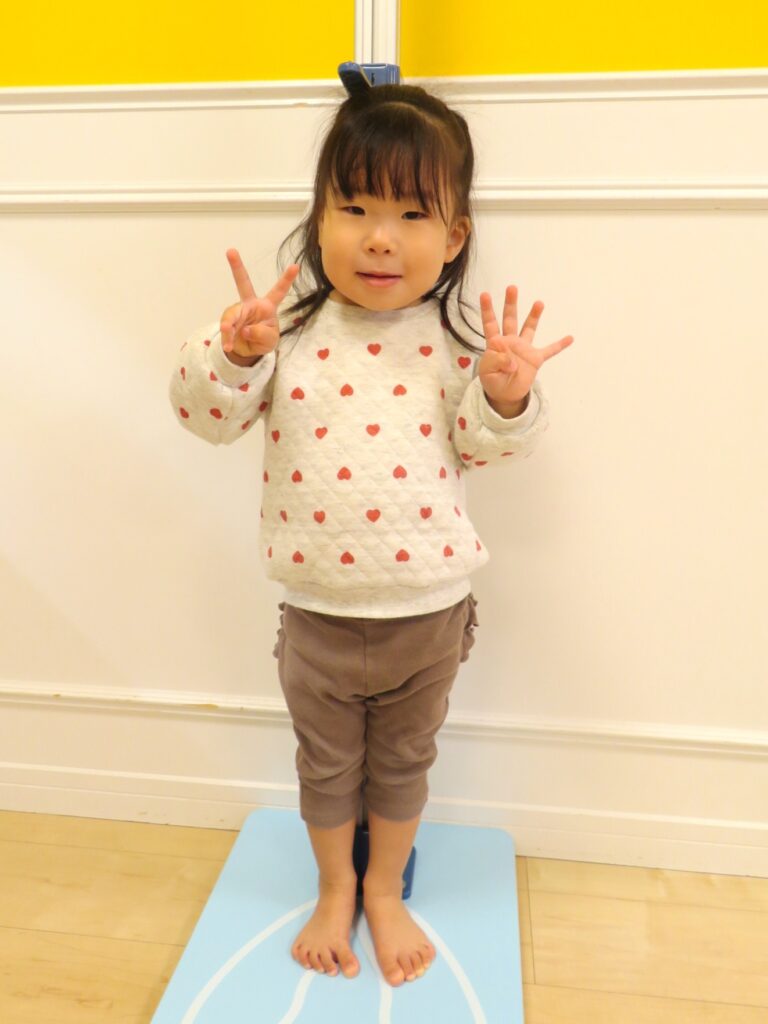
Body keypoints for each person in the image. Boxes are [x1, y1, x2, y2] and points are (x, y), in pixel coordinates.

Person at [169, 81, 573, 989]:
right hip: (316, 614)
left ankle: (383, 889)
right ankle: (334, 888)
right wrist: (233, 353)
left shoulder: (458, 348)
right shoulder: (284, 334)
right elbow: (205, 417)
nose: (379, 236)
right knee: (324, 766)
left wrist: (507, 393)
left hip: (428, 616)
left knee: (402, 764)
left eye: (410, 213)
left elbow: (492, 445)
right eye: (353, 208)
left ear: (454, 236)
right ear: (318, 219)